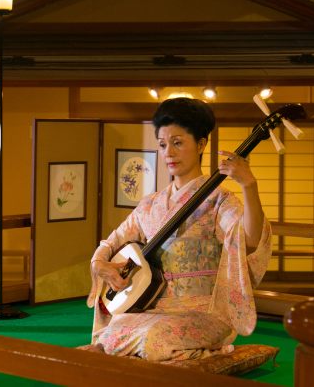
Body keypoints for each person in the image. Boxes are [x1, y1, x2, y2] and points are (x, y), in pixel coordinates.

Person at [85, 97, 273, 362]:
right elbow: (113, 241)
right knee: (110, 334)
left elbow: (251, 241)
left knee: (154, 340)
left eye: (177, 142)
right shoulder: (150, 204)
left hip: (203, 311)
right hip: (153, 308)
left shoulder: (220, 199)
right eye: (162, 145)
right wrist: (98, 263)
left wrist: (249, 186)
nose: (168, 153)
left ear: (201, 144)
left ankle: (208, 350)